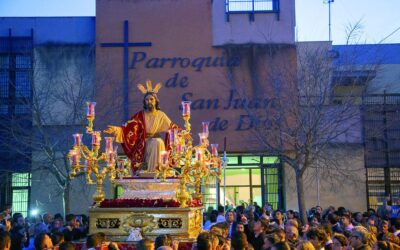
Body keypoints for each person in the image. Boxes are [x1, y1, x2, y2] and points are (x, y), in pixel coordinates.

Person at [105, 81, 176, 174]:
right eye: (147, 100)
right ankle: (151, 172)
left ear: (155, 101)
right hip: (143, 144)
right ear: (144, 102)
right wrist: (116, 130)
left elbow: (172, 128)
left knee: (157, 142)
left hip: (156, 142)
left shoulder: (161, 115)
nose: (149, 101)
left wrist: (182, 133)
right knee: (156, 143)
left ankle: (157, 171)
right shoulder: (139, 116)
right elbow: (127, 129)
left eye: (151, 99)